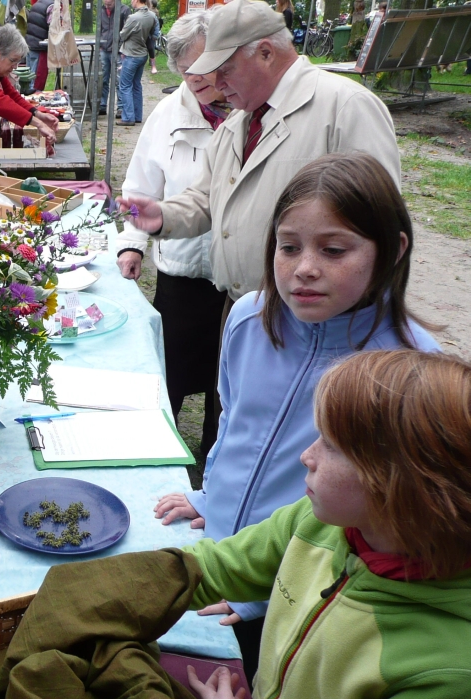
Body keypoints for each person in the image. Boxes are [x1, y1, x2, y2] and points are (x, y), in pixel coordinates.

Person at [153, 153, 440, 682]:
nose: (304, 267)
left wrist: (266, 596)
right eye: (289, 247)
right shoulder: (247, 319)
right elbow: (234, 426)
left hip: (297, 591)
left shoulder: (407, 370)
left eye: (333, 249)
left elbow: (386, 519)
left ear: (393, 251)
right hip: (219, 557)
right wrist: (209, 495)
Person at [184, 348, 471, 699]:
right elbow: (218, 566)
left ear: (403, 485)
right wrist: (121, 585)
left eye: (332, 445)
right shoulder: (322, 522)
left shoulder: (448, 674)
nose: (307, 455)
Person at [118, 0, 400, 308]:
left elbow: (381, 222)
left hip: (317, 317)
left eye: (224, 70)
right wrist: (162, 216)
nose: (218, 83)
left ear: (266, 53)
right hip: (241, 308)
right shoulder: (238, 121)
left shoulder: (345, 106)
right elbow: (207, 198)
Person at [116, 9, 230, 454]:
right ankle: (159, 451)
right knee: (173, 373)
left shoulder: (249, 111)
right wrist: (132, 246)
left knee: (228, 385)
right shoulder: (168, 112)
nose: (195, 82)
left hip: (237, 281)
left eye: (203, 70)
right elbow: (141, 185)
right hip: (182, 272)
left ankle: (212, 460)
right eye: (185, 73)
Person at [116, 0, 155, 124]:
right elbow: (152, 34)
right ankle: (137, 116)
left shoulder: (133, 18)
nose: (131, 2)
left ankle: (128, 117)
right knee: (136, 85)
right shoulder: (152, 16)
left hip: (131, 54)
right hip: (143, 54)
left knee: (125, 85)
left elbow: (122, 35)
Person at [97, 0, 131, 115]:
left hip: (118, 50)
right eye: (106, 4)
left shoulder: (124, 10)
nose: (107, 6)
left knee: (119, 79)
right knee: (103, 78)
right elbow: (100, 28)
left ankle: (120, 107)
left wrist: (122, 47)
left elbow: (127, 30)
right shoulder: (101, 10)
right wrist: (100, 45)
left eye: (110, 4)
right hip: (104, 48)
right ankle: (102, 104)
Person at [25, 0, 53, 92]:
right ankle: (35, 104)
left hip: (30, 45)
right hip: (40, 47)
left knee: (28, 80)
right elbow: (54, 27)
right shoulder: (52, 6)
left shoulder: (38, 4)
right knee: (36, 83)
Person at [147, 0, 161, 74]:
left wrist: (155, 34)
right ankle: (151, 63)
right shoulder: (156, 11)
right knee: (151, 48)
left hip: (151, 33)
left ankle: (152, 64)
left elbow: (156, 24)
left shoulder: (152, 12)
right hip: (150, 33)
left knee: (151, 48)